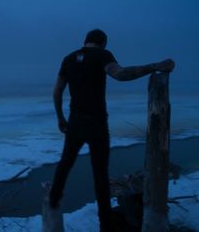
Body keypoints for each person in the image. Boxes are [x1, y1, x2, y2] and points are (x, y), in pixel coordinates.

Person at [49, 29, 175, 232]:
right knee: (100, 176)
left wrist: (60, 118)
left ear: (86, 41)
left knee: (66, 162)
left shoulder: (69, 58)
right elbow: (121, 74)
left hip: (75, 122)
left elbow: (57, 91)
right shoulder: (103, 56)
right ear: (103, 43)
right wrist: (155, 66)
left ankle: (54, 198)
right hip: (96, 124)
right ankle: (105, 225)